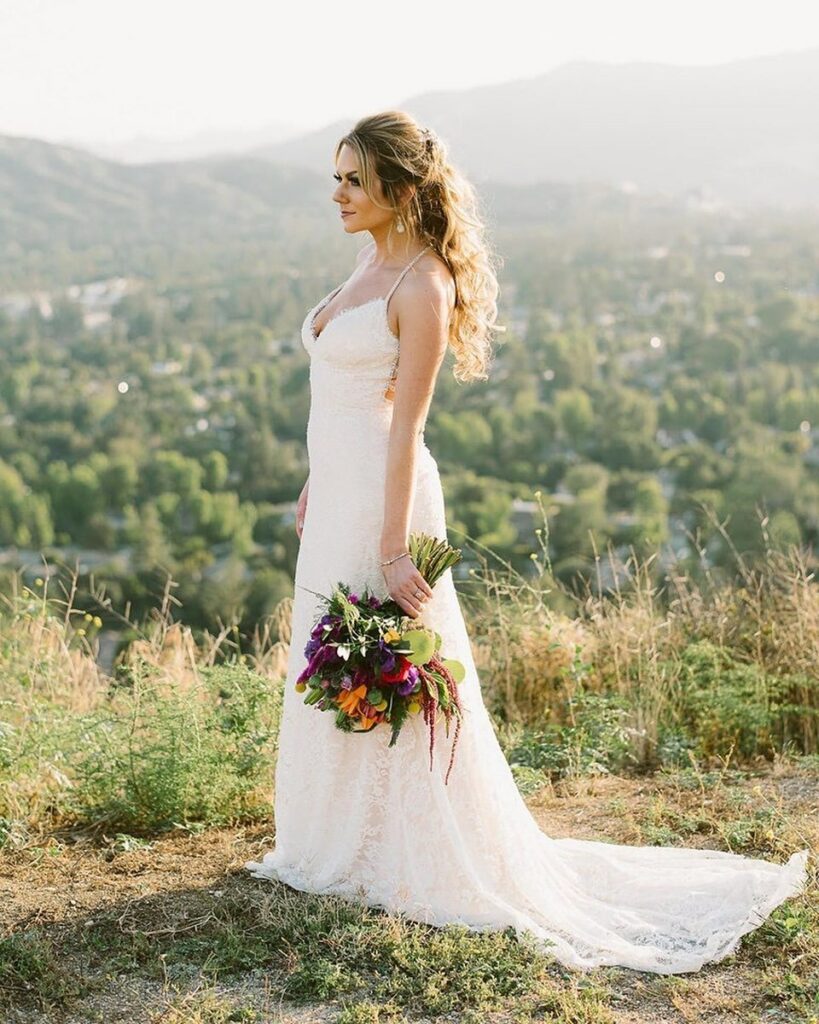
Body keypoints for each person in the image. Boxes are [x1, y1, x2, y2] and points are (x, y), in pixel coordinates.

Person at [245, 110, 810, 974]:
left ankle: (412, 848)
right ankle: (339, 841)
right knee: (330, 657)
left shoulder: (423, 287)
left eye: (354, 179)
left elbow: (406, 430)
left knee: (389, 663)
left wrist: (394, 549)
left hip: (388, 505)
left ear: (399, 188)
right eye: (337, 176)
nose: (338, 193)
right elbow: (343, 394)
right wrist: (317, 477)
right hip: (339, 496)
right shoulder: (368, 259)